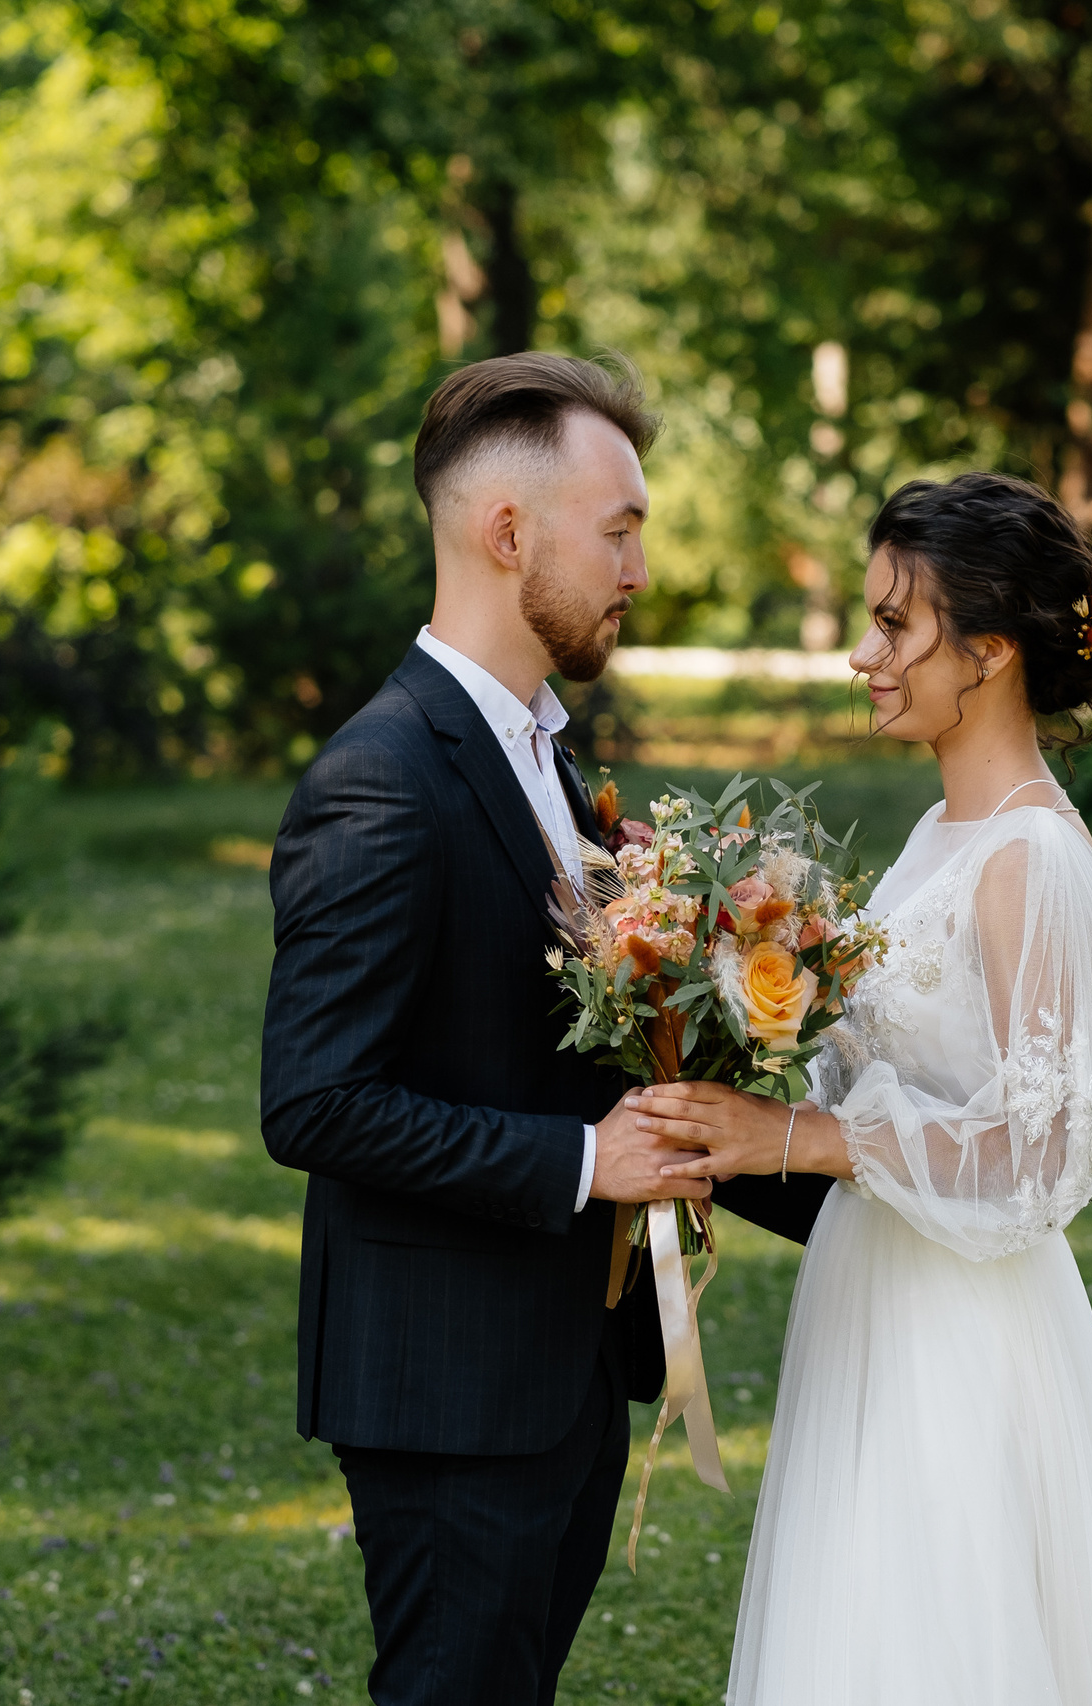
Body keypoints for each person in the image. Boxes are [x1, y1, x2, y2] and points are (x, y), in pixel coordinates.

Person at [257, 351, 831, 1706]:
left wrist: (866, 1173)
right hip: (449, 1383)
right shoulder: (380, 779)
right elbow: (316, 1098)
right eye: (618, 530)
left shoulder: (550, 764)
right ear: (506, 532)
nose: (641, 568)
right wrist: (586, 1163)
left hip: (566, 1364)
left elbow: (586, 1052)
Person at [629, 472, 1092, 1704]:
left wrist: (804, 1134)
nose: (862, 656)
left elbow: (1040, 1160)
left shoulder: (1031, 859)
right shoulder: (940, 834)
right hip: (872, 1285)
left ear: (988, 650)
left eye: (893, 624)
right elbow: (880, 1066)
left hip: (963, 1325)